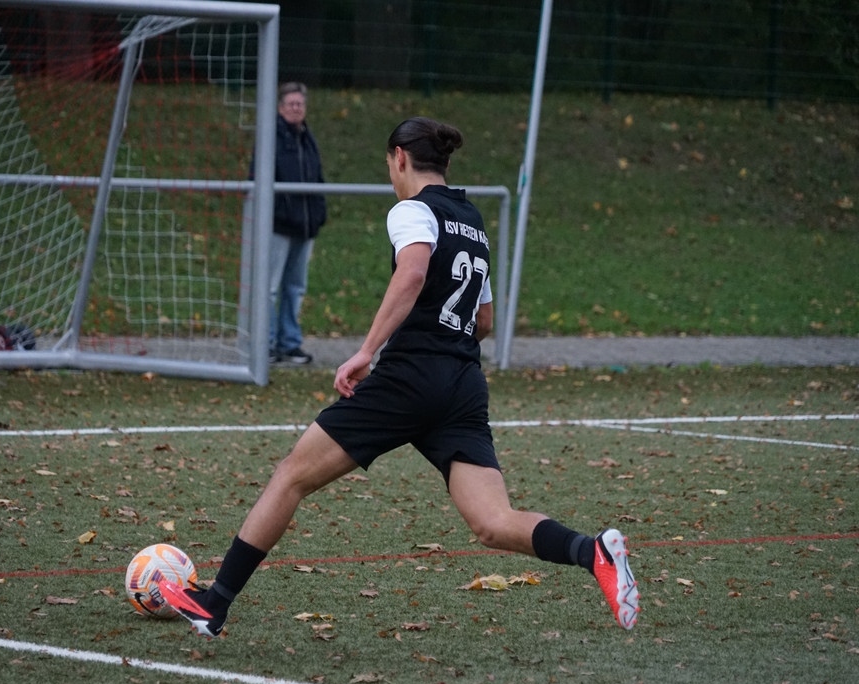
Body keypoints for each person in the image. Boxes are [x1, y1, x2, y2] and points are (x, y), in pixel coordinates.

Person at [161, 116, 640, 637]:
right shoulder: (472, 220)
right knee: (493, 522)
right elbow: (484, 322)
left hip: (411, 377)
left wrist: (366, 351)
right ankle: (592, 552)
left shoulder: (412, 210)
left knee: (291, 476)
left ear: (400, 158)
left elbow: (412, 274)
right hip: (462, 383)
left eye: (389, 164)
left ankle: (214, 604)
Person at [265, 81, 327, 364]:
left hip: (305, 225)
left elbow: (317, 178)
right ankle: (265, 344)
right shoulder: (272, 138)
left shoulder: (307, 137)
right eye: (290, 103)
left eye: (299, 104)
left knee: (295, 287)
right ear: (280, 107)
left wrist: (318, 213)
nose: (295, 108)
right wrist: (279, 211)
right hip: (279, 225)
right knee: (270, 287)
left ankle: (289, 343)